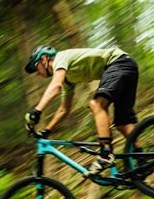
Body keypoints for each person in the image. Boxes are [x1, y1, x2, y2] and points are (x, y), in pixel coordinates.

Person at [23, 45, 141, 176]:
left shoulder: (60, 58)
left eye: (36, 67)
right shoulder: (68, 79)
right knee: (122, 124)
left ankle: (106, 154)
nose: (37, 73)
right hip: (127, 65)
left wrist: (36, 111)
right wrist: (47, 130)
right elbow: (64, 109)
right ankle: (143, 159)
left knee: (96, 104)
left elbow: (56, 86)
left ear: (44, 60)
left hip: (118, 63)